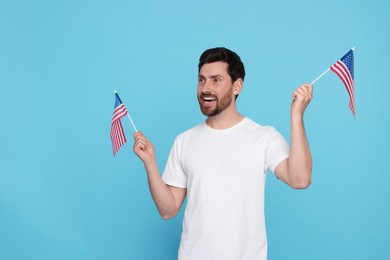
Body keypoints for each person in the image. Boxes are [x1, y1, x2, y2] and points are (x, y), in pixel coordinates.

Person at [133, 47, 313, 260]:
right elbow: (168, 209)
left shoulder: (263, 137)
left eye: (216, 80)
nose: (205, 88)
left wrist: (296, 115)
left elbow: (300, 179)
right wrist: (150, 163)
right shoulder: (184, 141)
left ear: (237, 86)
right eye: (201, 80)